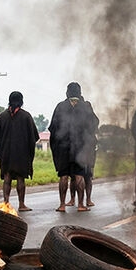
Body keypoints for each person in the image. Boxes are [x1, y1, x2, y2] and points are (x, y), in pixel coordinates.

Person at [49, 82, 94, 212]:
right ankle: (80, 205)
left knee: (63, 176)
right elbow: (93, 125)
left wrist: (57, 146)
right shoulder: (85, 107)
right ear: (80, 93)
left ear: (67, 92)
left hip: (63, 149)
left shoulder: (60, 106)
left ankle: (62, 205)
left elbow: (53, 127)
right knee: (79, 175)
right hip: (80, 149)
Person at [0, 91, 39, 212]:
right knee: (20, 178)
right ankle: (21, 204)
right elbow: (34, 137)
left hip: (6, 153)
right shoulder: (26, 116)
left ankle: (6, 203)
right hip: (21, 154)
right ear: (21, 101)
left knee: (7, 177)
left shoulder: (2, 116)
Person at [68, 98, 99, 208]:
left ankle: (87, 199)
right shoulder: (73, 112)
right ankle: (74, 199)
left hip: (88, 148)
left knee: (87, 175)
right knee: (77, 176)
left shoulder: (88, 112)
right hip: (78, 148)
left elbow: (95, 124)